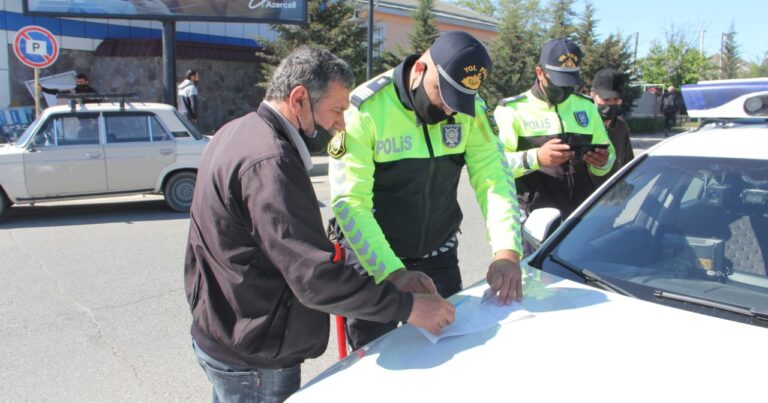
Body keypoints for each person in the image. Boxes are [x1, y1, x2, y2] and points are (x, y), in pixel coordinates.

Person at [184, 46, 455, 403]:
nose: (341, 123)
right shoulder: (270, 162)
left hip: (223, 333)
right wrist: (409, 307)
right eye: (338, 109)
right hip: (255, 358)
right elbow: (314, 279)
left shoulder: (238, 131)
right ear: (299, 99)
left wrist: (393, 277)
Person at [328, 31, 523, 350]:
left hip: (438, 256)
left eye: (459, 100)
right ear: (419, 70)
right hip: (376, 265)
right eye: (443, 94)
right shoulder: (365, 109)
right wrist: (393, 273)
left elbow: (494, 180)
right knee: (379, 366)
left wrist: (506, 251)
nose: (449, 109)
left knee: (450, 351)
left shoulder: (470, 110)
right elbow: (351, 204)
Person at [494, 38, 615, 220]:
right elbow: (496, 165)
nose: (565, 89)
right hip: (534, 218)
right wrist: (536, 158)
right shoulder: (512, 110)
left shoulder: (587, 106)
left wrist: (602, 162)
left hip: (580, 216)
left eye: (569, 82)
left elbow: (610, 156)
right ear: (540, 72)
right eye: (559, 82)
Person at [589, 68, 634, 187]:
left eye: (616, 100)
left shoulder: (621, 126)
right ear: (592, 95)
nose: (611, 104)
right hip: (587, 200)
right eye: (606, 99)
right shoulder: (582, 125)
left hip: (614, 198)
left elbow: (627, 163)